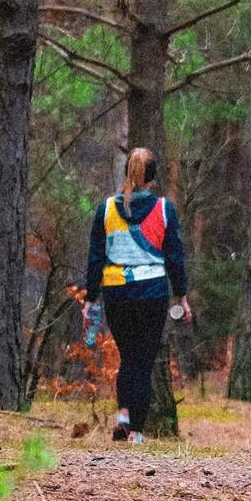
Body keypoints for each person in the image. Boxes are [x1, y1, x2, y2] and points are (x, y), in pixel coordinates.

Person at [82, 149, 193, 443]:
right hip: (152, 292)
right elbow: (175, 257)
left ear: (127, 174)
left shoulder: (106, 209)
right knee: (143, 362)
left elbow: (95, 256)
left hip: (116, 292)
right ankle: (136, 432)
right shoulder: (164, 209)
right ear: (152, 178)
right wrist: (182, 296)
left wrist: (90, 298)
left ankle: (123, 416)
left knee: (128, 358)